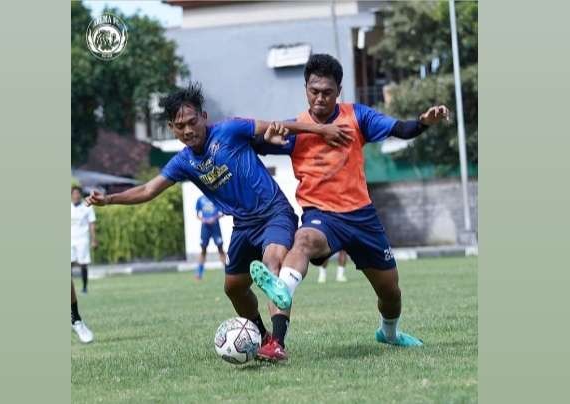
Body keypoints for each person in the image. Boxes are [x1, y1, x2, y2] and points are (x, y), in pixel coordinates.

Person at [84, 83, 349, 352]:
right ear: (172, 129)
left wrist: (320, 129)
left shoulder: (230, 130)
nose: (188, 130)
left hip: (274, 212)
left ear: (204, 117)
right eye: (180, 126)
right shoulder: (183, 163)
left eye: (192, 121)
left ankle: (277, 343)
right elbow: (148, 189)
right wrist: (109, 199)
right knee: (233, 288)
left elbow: (279, 125)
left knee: (273, 261)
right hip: (243, 226)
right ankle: (261, 334)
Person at [251, 54, 450, 361]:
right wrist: (266, 139)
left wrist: (423, 122)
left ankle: (390, 333)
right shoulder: (294, 129)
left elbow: (401, 128)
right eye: (314, 91)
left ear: (339, 90)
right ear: (306, 89)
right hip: (322, 217)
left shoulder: (357, 116)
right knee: (302, 241)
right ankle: (277, 335)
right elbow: (254, 142)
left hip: (362, 218)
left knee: (390, 292)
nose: (320, 98)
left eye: (327, 92)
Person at [71, 186, 97, 293]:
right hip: (70, 240)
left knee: (83, 264)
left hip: (82, 239)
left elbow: (92, 224)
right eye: (74, 194)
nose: (76, 196)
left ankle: (85, 287)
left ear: (80, 195)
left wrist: (93, 239)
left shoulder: (87, 207)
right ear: (71, 195)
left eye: (78, 194)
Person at [195, 195, 226, 280]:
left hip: (215, 227)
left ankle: (228, 271)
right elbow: (197, 215)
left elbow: (223, 212)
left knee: (220, 249)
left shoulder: (216, 197)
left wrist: (214, 218)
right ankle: (199, 273)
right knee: (203, 250)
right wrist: (204, 220)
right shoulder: (200, 199)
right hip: (205, 228)